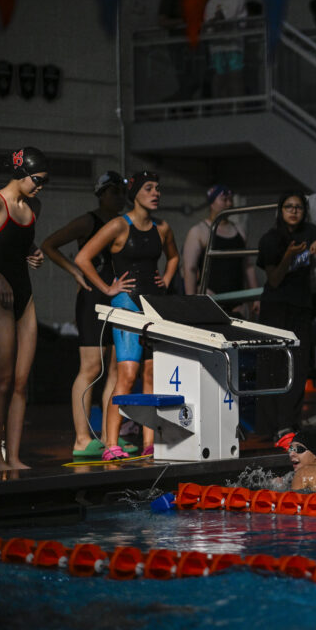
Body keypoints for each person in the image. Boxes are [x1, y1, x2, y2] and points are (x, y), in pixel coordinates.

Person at [75, 171, 180, 462]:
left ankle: (149, 442)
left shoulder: (163, 227)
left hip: (154, 306)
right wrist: (108, 288)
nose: (156, 193)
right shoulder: (119, 225)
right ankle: (111, 443)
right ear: (135, 194)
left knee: (151, 375)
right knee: (127, 375)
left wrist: (166, 279)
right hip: (127, 307)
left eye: (158, 188)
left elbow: (173, 257)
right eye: (149, 188)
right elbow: (83, 258)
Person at [41, 171, 126, 457]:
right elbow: (49, 245)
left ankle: (109, 436)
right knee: (91, 368)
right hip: (92, 299)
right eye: (114, 192)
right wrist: (75, 272)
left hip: (118, 300)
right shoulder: (88, 221)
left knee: (115, 370)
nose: (120, 197)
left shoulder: (122, 224)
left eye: (122, 192)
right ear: (101, 194)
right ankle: (81, 438)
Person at [254, 191, 316, 439]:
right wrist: (289, 255)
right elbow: (274, 280)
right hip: (275, 307)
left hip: (301, 306)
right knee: (272, 366)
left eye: (298, 207)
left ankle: (288, 423)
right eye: (288, 206)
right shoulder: (270, 239)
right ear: (280, 210)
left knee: (298, 366)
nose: (294, 211)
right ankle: (269, 427)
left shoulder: (309, 231)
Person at [0, 147, 48, 470]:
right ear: (21, 173)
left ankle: (13, 457)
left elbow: (15, 242)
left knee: (22, 381)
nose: (41, 187)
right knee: (2, 379)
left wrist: (34, 251)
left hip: (23, 293)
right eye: (37, 179)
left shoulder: (33, 206)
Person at [181, 184, 258, 317]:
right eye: (224, 200)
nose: (229, 204)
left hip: (238, 303)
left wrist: (256, 297)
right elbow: (189, 269)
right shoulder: (199, 231)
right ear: (212, 203)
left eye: (230, 200)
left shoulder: (239, 230)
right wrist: (191, 302)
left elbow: (248, 266)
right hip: (211, 299)